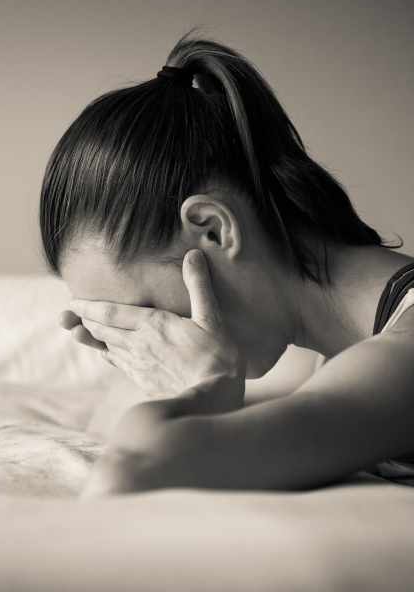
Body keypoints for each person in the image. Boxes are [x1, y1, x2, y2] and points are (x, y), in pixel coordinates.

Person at [39, 31, 414, 497]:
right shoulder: (343, 356)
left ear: (214, 230)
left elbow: (130, 473)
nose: (155, 341)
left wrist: (205, 382)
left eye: (150, 315)